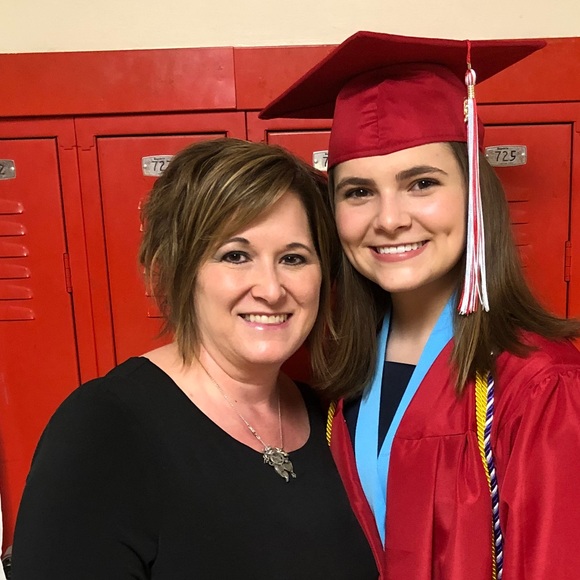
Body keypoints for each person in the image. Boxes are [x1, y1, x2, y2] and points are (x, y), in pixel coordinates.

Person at [261, 31, 580, 579]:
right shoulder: (336, 375)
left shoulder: (541, 385)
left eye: (421, 183)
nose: (389, 219)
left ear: (474, 193)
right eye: (359, 191)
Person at [10, 138, 379, 579]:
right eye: (236, 256)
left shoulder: (329, 416)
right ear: (183, 270)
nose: (271, 288)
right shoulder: (103, 429)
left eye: (293, 258)